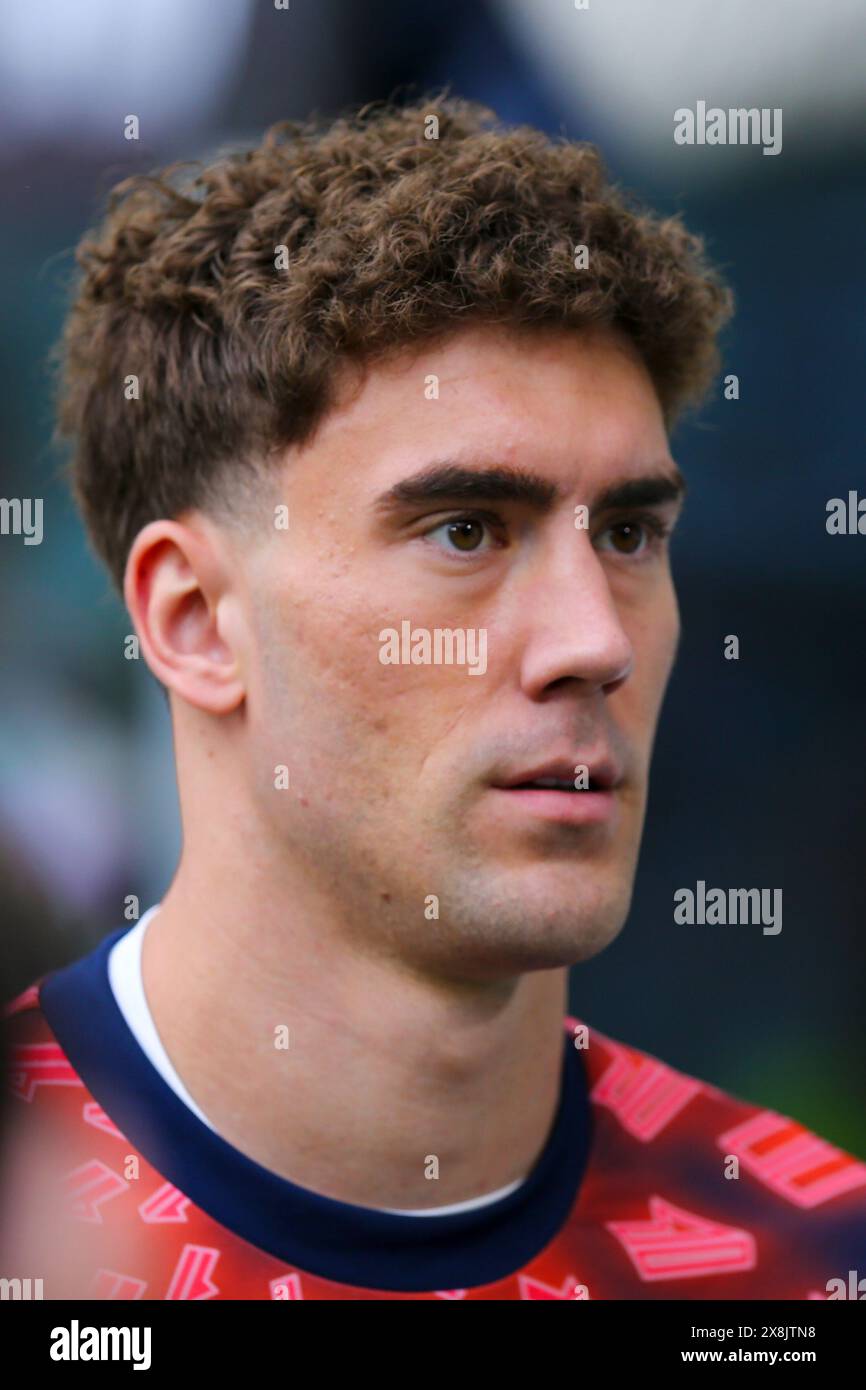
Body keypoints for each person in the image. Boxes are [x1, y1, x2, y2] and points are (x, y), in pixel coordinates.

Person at [3, 95, 863, 1300]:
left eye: (625, 533)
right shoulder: (27, 1220)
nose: (593, 640)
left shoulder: (811, 1262)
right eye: (466, 530)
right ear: (193, 620)